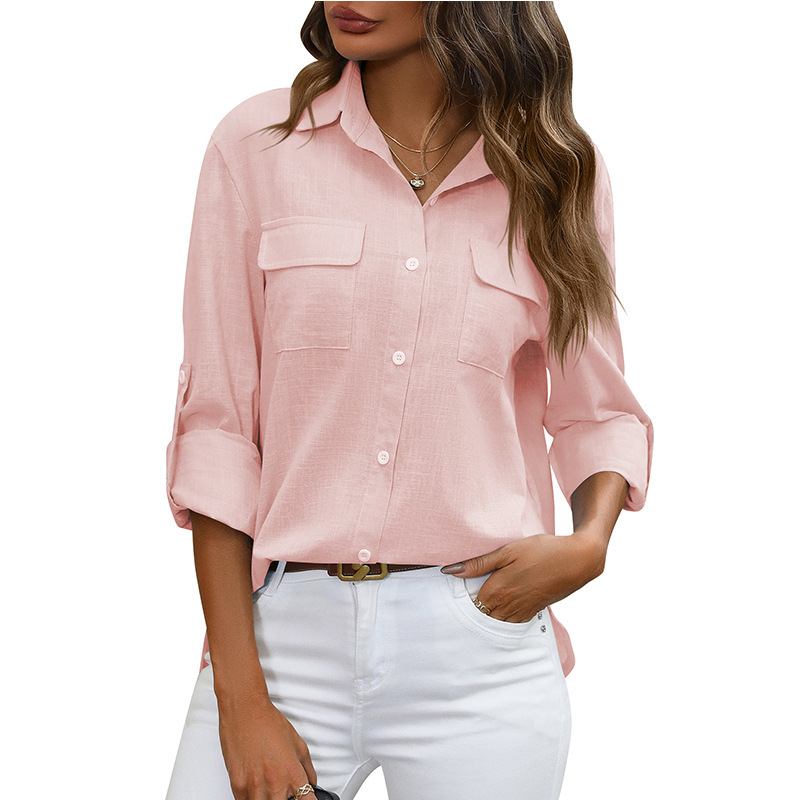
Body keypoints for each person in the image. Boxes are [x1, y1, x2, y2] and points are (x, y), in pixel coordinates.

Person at [164, 3, 654, 799]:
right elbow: (218, 431)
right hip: (282, 641)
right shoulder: (257, 147)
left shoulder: (558, 170)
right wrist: (242, 698)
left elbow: (596, 410)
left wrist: (588, 544)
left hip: (481, 645)